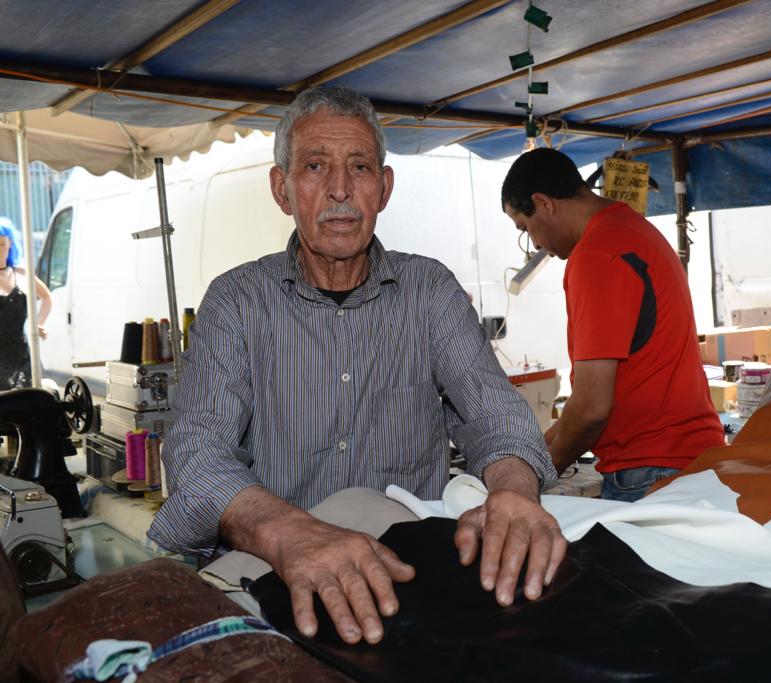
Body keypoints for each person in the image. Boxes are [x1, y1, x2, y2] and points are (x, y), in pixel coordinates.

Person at [148, 86, 565, 646]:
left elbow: (492, 413)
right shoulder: (236, 301)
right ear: (282, 188)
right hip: (280, 572)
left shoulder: (430, 291)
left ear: (384, 188)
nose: (340, 190)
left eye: (360, 167)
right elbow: (197, 456)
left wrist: (514, 490)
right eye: (315, 166)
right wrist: (292, 533)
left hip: (409, 579)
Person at [501, 148, 724, 502]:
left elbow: (591, 408)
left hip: (650, 468)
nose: (536, 245)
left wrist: (536, 480)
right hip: (686, 461)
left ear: (543, 203)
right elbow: (610, 391)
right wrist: (537, 450)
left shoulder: (596, 255)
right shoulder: (632, 229)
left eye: (525, 228)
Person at [0, 217, 51, 390]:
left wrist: (39, 323)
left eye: (2, 244)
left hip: (22, 355)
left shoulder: (22, 273)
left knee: (27, 402)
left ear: (10, 244)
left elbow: (46, 298)